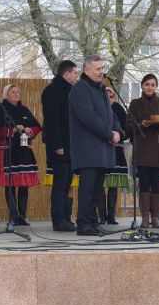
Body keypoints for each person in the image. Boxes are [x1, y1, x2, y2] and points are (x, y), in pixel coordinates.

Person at [68, 55, 123, 236]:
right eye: (98, 69)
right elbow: (88, 117)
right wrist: (109, 134)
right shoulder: (80, 89)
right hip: (88, 149)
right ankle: (83, 224)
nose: (102, 72)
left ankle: (92, 222)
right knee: (87, 189)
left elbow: (110, 114)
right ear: (86, 70)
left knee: (97, 189)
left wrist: (118, 132)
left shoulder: (100, 89)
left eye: (102, 68)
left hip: (101, 149)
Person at [0, 84, 41, 226]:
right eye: (13, 92)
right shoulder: (0, 110)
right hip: (8, 150)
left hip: (24, 150)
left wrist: (29, 130)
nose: (16, 94)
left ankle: (22, 216)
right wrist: (12, 130)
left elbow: (37, 126)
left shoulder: (24, 109)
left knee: (24, 184)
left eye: (18, 91)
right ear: (6, 94)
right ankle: (13, 216)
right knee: (10, 184)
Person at [125, 74, 159, 228]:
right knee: (144, 183)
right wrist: (141, 125)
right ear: (142, 86)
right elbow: (128, 127)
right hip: (143, 149)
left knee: (157, 184)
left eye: (152, 85)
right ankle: (145, 217)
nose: (150, 87)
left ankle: (155, 217)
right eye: (147, 84)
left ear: (156, 87)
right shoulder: (135, 103)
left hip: (158, 149)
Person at [41, 60, 79, 232]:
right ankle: (58, 219)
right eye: (75, 73)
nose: (77, 76)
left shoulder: (70, 90)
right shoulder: (52, 91)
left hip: (71, 144)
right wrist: (57, 144)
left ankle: (66, 217)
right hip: (60, 145)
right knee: (60, 183)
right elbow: (52, 121)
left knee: (67, 182)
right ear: (66, 73)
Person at [98, 86, 130, 225]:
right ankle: (101, 215)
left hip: (116, 150)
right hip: (100, 151)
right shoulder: (96, 108)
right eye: (106, 95)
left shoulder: (118, 109)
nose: (109, 98)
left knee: (113, 185)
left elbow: (127, 129)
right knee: (100, 184)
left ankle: (111, 215)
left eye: (111, 96)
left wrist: (119, 136)